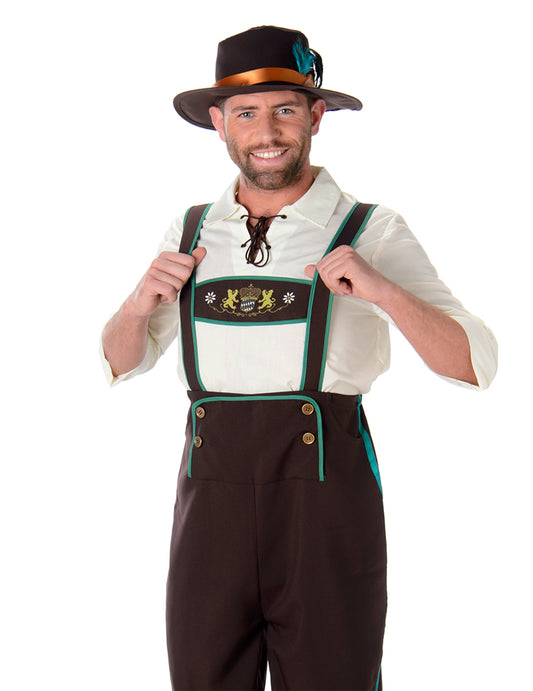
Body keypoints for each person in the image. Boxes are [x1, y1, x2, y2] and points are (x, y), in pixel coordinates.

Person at [101, 25, 497, 691]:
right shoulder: (191, 230)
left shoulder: (370, 229)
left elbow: (474, 362)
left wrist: (382, 290)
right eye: (246, 113)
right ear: (218, 123)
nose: (267, 132)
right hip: (209, 510)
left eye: (285, 109)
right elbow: (120, 364)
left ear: (315, 116)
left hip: (325, 504)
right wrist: (138, 305)